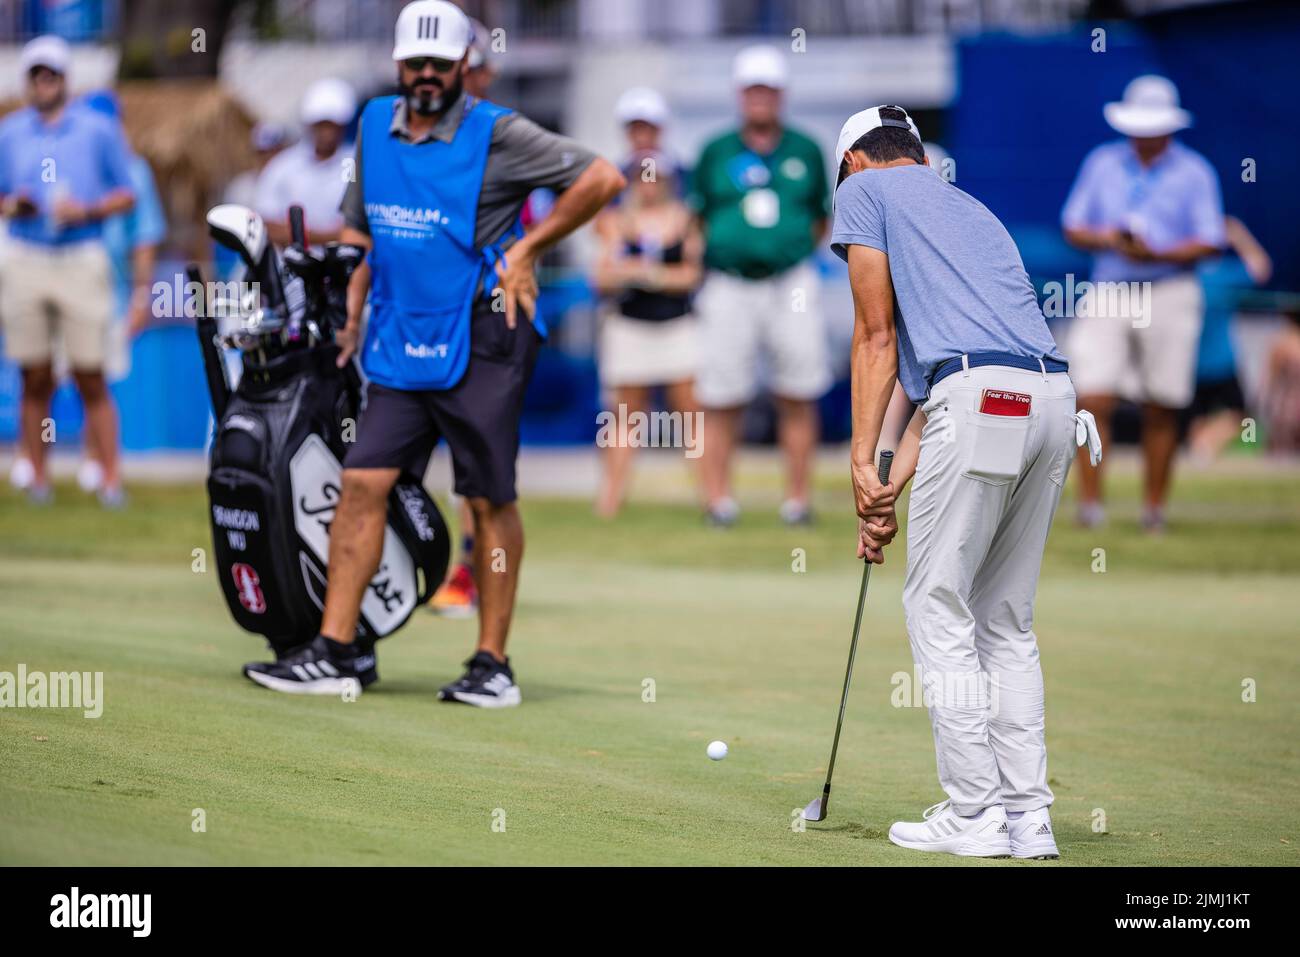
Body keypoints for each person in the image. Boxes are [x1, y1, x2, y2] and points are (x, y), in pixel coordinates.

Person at [242, 0, 624, 705]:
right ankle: (334, 652)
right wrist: (352, 306)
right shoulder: (371, 127)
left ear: (461, 67)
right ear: (397, 64)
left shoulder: (498, 132)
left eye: (438, 65)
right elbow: (362, 234)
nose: (424, 76)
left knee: (485, 498)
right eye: (413, 63)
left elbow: (601, 178)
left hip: (484, 334)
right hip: (396, 339)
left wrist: (528, 251)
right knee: (361, 483)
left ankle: (491, 664)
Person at [832, 105, 1090, 858]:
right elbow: (955, 381)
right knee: (1003, 618)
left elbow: (875, 336)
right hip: (1051, 401)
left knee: (937, 602)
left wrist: (856, 460)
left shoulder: (862, 194)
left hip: (978, 400)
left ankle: (974, 814)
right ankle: (1027, 819)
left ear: (853, 162)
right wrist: (885, 491)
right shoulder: (969, 207)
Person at [1062, 75, 1224, 531]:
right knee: (1091, 397)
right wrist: (1111, 239)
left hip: (1170, 289)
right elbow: (1073, 226)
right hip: (1112, 287)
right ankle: (1091, 508)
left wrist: (1159, 252)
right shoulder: (1102, 163)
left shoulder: (1195, 172)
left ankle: (1154, 511)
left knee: (1162, 403)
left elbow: (1211, 241)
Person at [691, 44, 831, 526]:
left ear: (781, 94)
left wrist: (782, 249)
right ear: (739, 94)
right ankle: (718, 501)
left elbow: (820, 219)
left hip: (790, 280)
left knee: (798, 390)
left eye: (768, 90)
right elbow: (698, 216)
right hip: (729, 282)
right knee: (721, 394)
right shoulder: (715, 151)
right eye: (753, 89)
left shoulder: (805, 150)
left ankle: (797, 500)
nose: (760, 98)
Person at [0, 36, 135, 507]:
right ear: (28, 81)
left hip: (81, 254)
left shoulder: (97, 129)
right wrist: (13, 205)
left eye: (51, 74)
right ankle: (36, 477)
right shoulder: (10, 131)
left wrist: (87, 211)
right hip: (26, 255)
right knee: (33, 374)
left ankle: (111, 479)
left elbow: (128, 193)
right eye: (37, 74)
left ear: (64, 80)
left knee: (89, 373)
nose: (44, 82)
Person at [592, 149, 703, 517]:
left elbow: (691, 275)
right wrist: (636, 272)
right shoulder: (615, 221)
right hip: (630, 327)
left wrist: (649, 274)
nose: (648, 183)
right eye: (641, 175)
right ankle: (610, 500)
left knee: (689, 414)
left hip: (676, 326)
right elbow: (602, 277)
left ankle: (709, 498)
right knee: (624, 416)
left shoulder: (685, 219)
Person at [78, 90, 167, 496]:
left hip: (110, 294)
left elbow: (144, 240)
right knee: (72, 376)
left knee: (99, 378)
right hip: (69, 286)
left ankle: (102, 468)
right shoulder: (71, 167)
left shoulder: (134, 171)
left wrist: (140, 297)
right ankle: (68, 465)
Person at [1186, 217, 1271, 461]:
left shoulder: (1187, 275)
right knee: (1239, 415)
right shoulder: (1221, 274)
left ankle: (1201, 451)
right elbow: (1261, 267)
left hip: (1193, 361)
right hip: (1220, 362)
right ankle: (1203, 448)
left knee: (1198, 419)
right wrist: (1238, 235)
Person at [254, 77, 356, 245]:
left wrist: (298, 235)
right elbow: (266, 225)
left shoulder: (351, 165)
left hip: (338, 268)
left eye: (331, 125)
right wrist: (328, 235)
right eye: (321, 125)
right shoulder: (284, 165)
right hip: (291, 268)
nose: (326, 132)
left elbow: (355, 226)